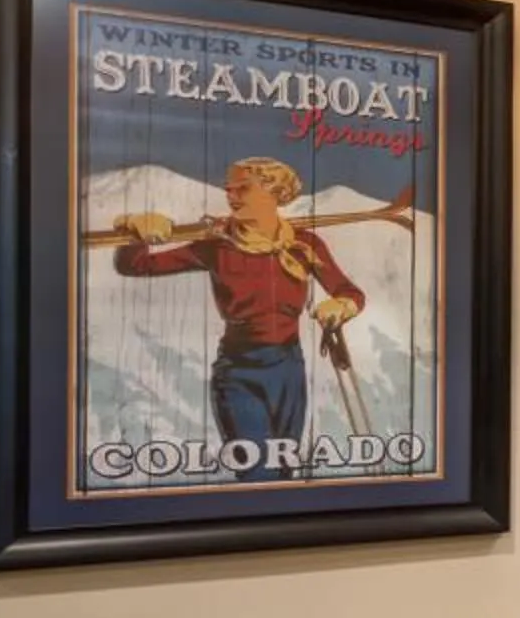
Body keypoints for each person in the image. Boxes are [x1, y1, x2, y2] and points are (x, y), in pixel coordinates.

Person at [112, 156, 365, 479]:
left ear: (274, 192)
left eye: (242, 188)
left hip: (289, 371)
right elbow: (135, 266)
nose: (231, 196)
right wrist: (135, 232)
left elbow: (350, 291)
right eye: (228, 189)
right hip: (238, 374)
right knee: (256, 473)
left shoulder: (305, 245)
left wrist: (341, 306)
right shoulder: (217, 246)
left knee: (285, 469)